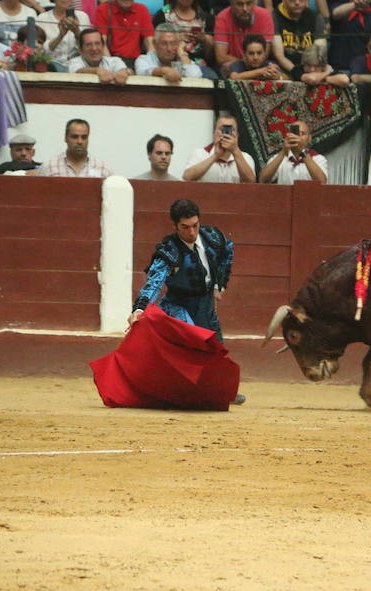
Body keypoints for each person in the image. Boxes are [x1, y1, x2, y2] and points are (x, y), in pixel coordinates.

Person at [127, 198, 245, 405]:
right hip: (178, 304)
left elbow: (228, 251)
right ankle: (178, 392)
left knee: (215, 346)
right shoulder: (169, 250)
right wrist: (139, 308)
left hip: (205, 302)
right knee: (188, 345)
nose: (191, 232)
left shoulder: (213, 237)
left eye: (195, 226)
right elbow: (154, 281)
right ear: (175, 226)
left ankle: (222, 391)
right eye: (185, 227)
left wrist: (220, 284)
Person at [182, 112, 257, 183]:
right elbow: (187, 177)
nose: (226, 134)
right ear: (214, 133)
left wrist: (235, 151)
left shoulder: (245, 157)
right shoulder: (199, 154)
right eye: (222, 129)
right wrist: (215, 156)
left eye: (231, 130)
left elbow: (250, 182)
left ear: (237, 135)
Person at [152, 0, 217, 79]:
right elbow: (156, 43)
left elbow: (211, 55)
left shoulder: (205, 16)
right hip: (170, 62)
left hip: (198, 63)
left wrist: (204, 38)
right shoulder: (162, 15)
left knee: (212, 77)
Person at [35, 118, 114, 178]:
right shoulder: (49, 167)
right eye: (74, 137)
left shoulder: (102, 168)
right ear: (65, 138)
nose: (80, 141)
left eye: (84, 137)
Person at [328, 0, 371, 72]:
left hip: (363, 68)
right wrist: (356, 4)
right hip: (339, 67)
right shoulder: (341, 6)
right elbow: (335, 13)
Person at [213, 0, 275, 73]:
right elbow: (221, 57)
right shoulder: (222, 17)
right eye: (239, 4)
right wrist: (245, 63)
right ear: (231, 4)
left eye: (249, 3)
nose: (245, 9)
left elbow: (263, 55)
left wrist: (239, 63)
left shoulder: (265, 15)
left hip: (256, 66)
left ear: (254, 3)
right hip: (232, 68)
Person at [258, 119, 328, 184]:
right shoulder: (279, 158)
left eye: (302, 134)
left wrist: (302, 151)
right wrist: (283, 152)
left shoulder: (318, 159)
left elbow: (322, 182)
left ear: (309, 138)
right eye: (295, 133)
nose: (298, 137)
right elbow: (262, 180)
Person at [93, 0, 156, 68]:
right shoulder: (103, 9)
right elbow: (101, 43)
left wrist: (152, 65)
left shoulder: (141, 9)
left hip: (136, 62)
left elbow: (150, 42)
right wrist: (112, 66)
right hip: (112, 59)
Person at [271, 0, 327, 75]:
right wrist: (298, 74)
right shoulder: (274, 17)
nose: (297, 2)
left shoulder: (315, 17)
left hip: (311, 69)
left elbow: (320, 52)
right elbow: (279, 56)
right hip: (282, 70)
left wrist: (312, 73)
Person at [135, 22, 204, 81]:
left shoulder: (183, 60)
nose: (169, 49)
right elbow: (142, 73)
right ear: (154, 44)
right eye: (164, 44)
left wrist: (182, 53)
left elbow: (196, 77)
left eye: (173, 43)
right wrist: (163, 71)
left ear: (179, 43)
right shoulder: (144, 59)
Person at [37, 0, 91, 72]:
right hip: (50, 67)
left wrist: (77, 31)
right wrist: (60, 36)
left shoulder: (83, 17)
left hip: (78, 68)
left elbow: (89, 48)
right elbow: (40, 52)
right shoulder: (42, 18)